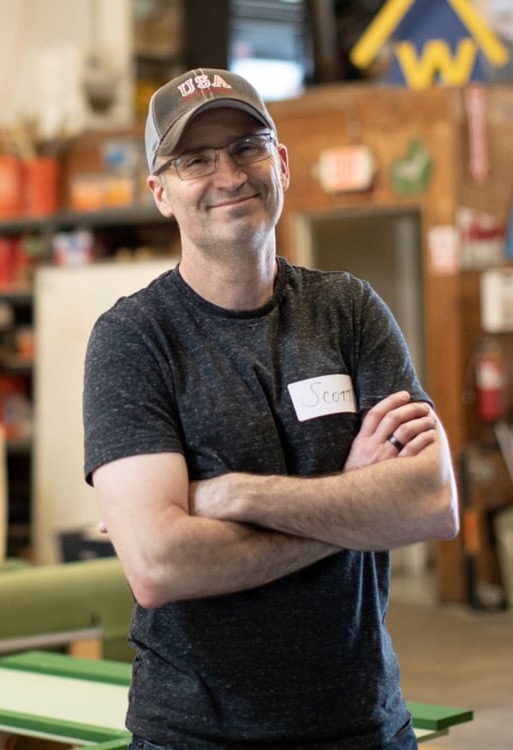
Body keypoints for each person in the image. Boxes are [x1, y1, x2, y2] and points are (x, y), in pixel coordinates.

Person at [82, 68, 459, 750]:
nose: (229, 174)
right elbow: (161, 565)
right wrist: (356, 507)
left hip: (365, 727)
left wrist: (231, 495)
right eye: (195, 159)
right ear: (161, 193)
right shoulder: (134, 340)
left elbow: (432, 504)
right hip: (197, 736)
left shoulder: (348, 310)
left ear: (280, 163)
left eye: (248, 147)